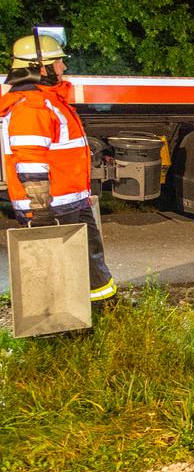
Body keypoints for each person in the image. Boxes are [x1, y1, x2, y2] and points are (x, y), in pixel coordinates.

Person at [0, 30, 116, 301]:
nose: (63, 66)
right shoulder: (32, 107)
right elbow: (30, 162)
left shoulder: (50, 101)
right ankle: (64, 330)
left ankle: (102, 309)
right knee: (60, 274)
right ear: (39, 67)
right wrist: (41, 211)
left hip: (71, 201)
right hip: (52, 206)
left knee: (89, 263)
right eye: (57, 62)